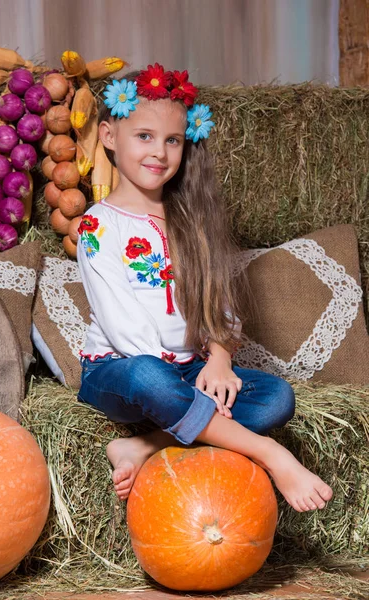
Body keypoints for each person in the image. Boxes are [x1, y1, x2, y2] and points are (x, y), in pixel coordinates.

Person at [77, 63, 333, 512]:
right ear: (109, 136)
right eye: (144, 136)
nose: (159, 152)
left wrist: (218, 360)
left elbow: (219, 305)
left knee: (275, 398)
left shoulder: (190, 222)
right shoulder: (100, 224)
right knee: (147, 375)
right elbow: (124, 328)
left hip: (186, 374)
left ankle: (145, 446)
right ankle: (271, 454)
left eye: (172, 140)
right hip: (120, 373)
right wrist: (189, 387)